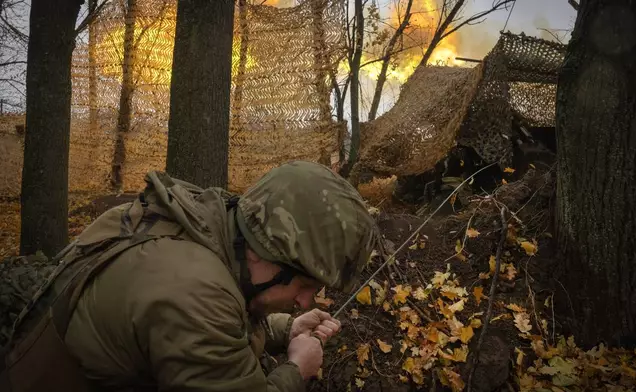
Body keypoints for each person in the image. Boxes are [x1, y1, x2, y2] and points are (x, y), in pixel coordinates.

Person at [1, 160, 377, 392]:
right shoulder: (194, 293)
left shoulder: (202, 224)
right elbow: (205, 315)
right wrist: (297, 370)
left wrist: (285, 330)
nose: (307, 301)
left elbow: (221, 314)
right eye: (306, 285)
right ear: (270, 256)